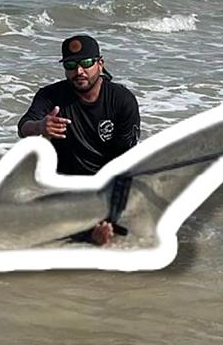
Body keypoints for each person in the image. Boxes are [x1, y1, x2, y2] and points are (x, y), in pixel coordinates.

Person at [17, 34, 140, 245]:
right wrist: (40, 126)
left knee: (130, 223)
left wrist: (110, 207)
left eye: (86, 63)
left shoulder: (122, 100)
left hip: (107, 180)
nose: (79, 71)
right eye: (71, 65)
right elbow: (23, 126)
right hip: (63, 183)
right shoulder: (50, 96)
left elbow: (125, 161)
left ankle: (96, 231)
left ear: (100, 64)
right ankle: (88, 233)